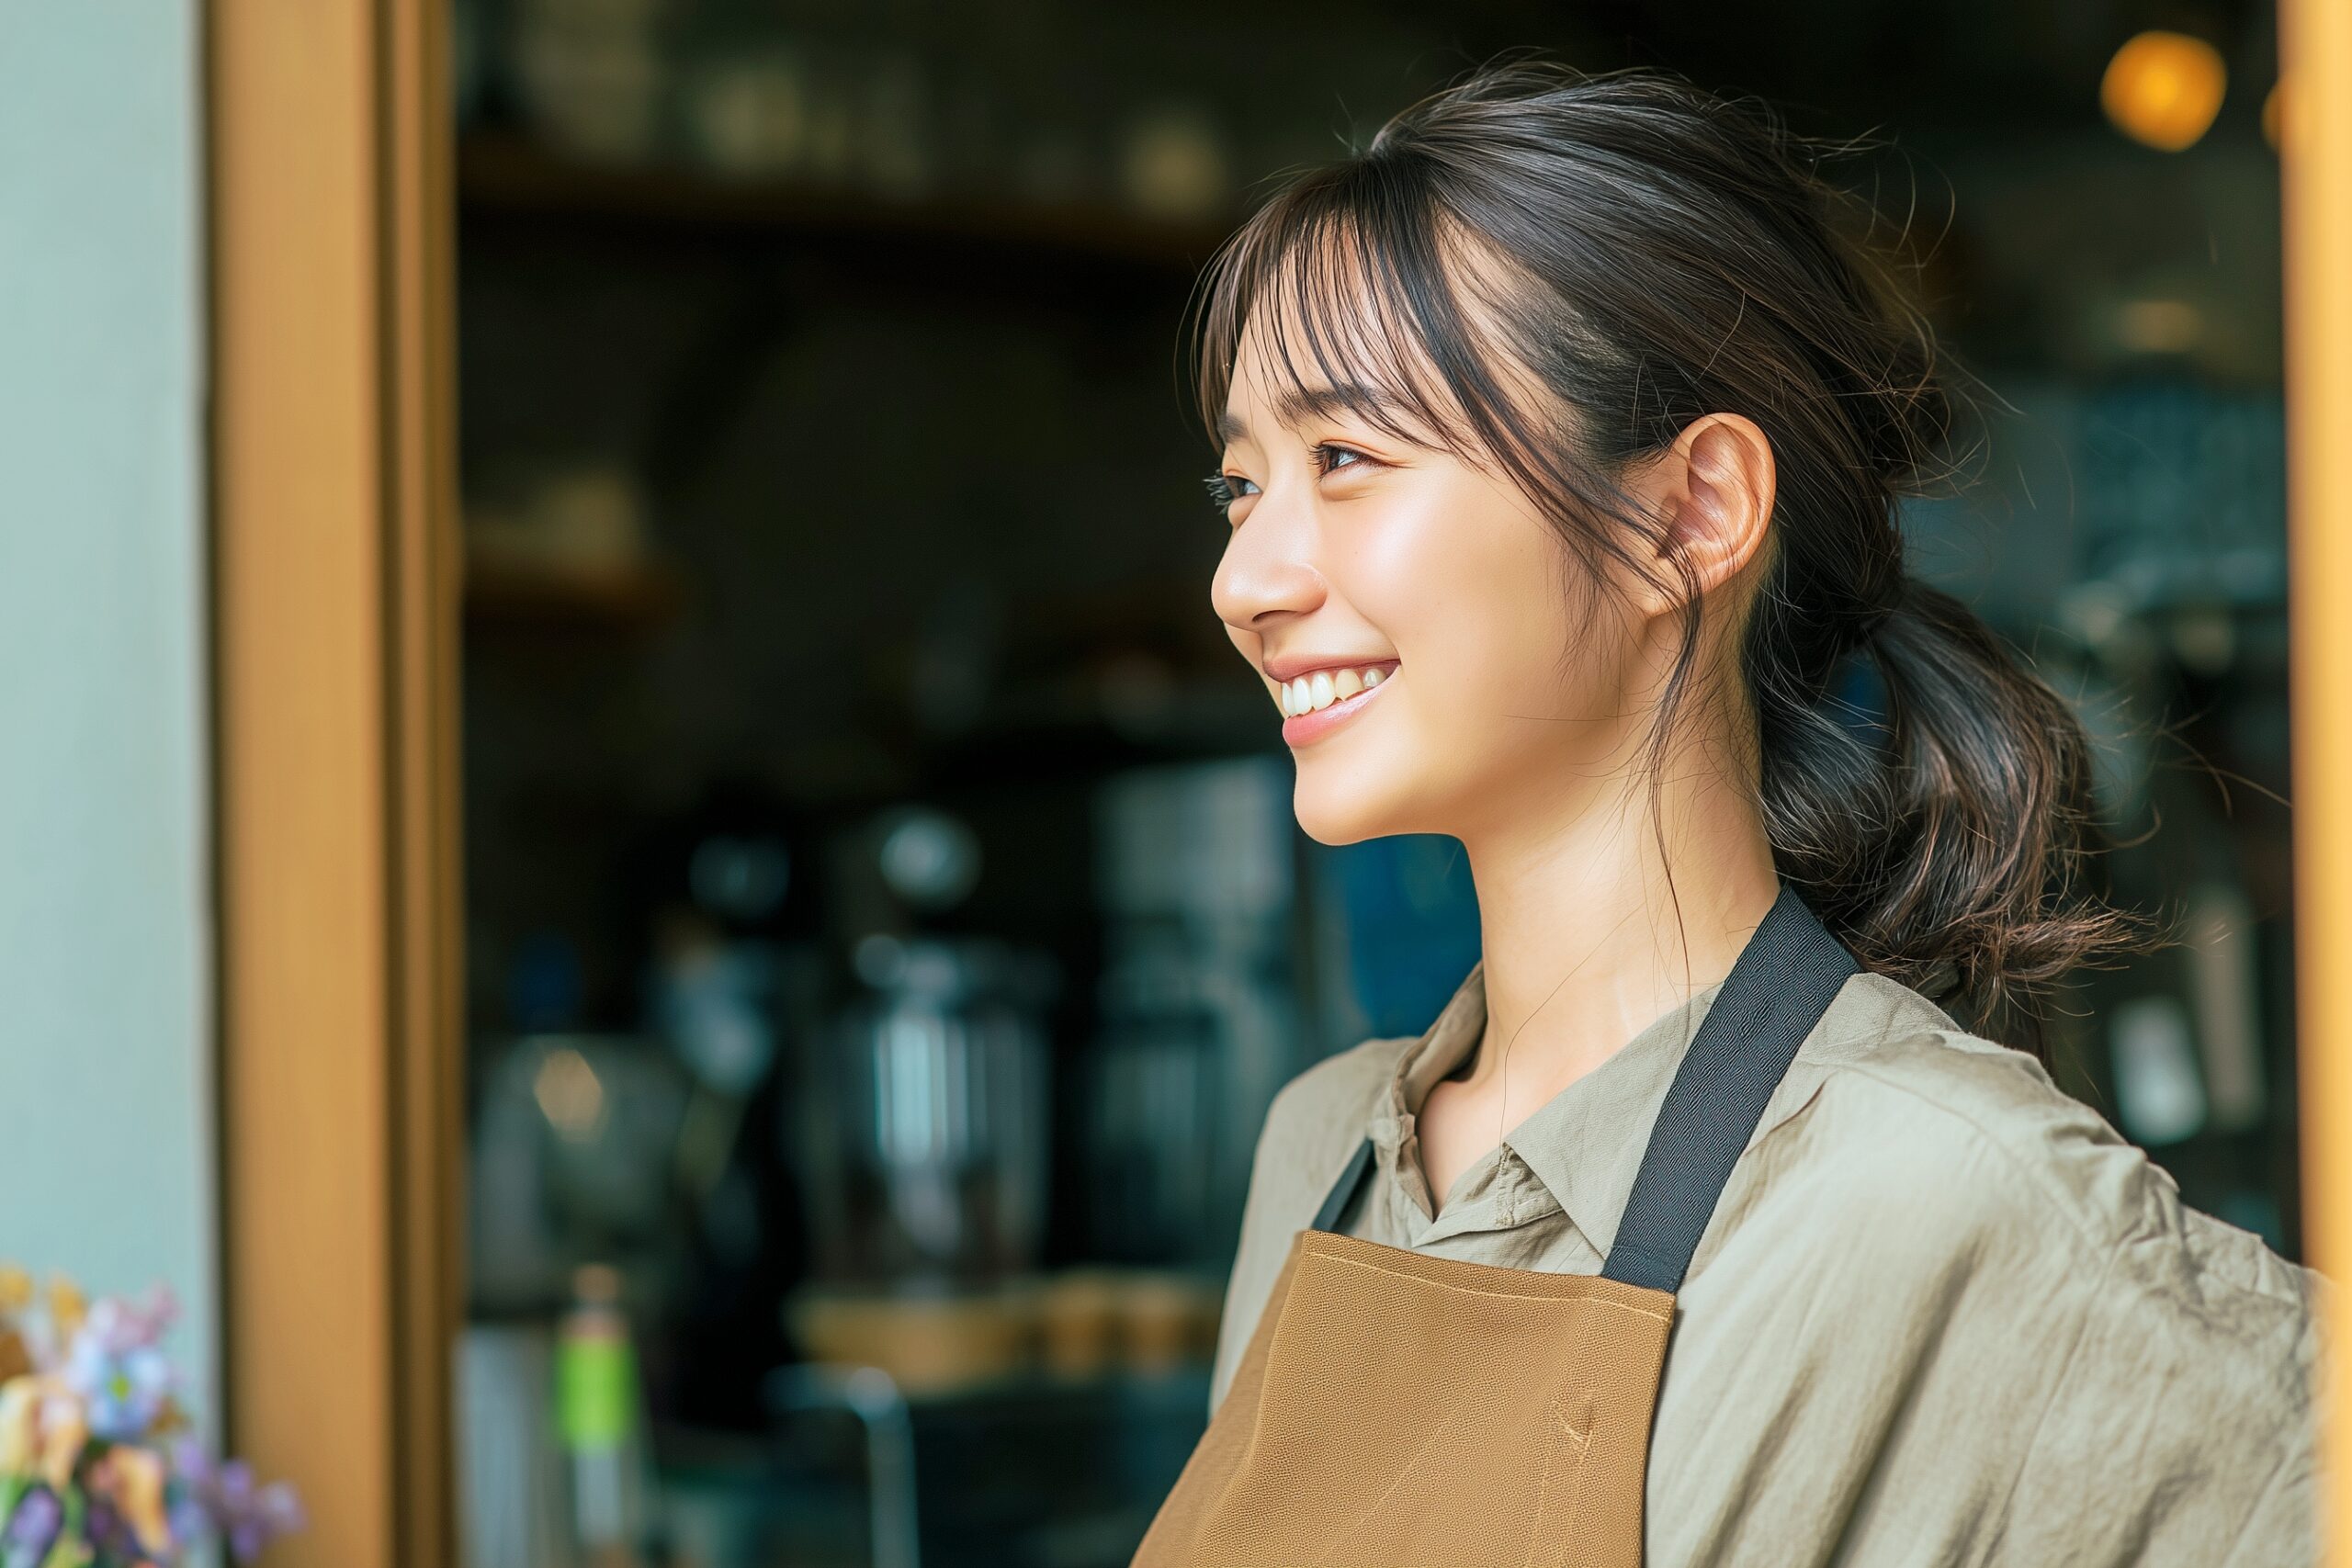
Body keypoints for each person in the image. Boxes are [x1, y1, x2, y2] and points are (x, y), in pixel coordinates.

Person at [1132, 58, 2323, 1568]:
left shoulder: (1939, 1192)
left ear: (1689, 515)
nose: (1245, 583)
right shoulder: (1325, 1157)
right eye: (1242, 488)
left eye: (1346, 459)